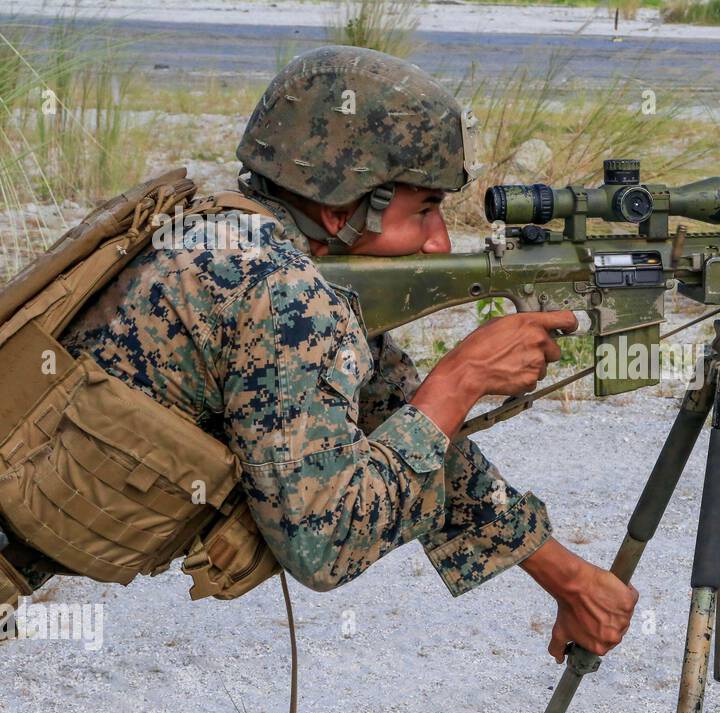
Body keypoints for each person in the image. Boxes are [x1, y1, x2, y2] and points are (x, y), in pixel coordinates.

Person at [15, 45, 638, 663]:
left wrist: (570, 580)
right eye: (424, 209)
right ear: (346, 202)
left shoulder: (236, 235)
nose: (440, 240)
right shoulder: (282, 292)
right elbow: (325, 542)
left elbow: (398, 418)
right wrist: (464, 375)